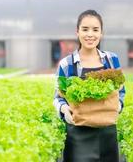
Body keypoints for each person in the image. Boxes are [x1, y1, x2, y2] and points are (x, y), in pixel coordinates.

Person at [53, 9, 126, 162]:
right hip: (78, 133)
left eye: (95, 29)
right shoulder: (66, 64)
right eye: (85, 29)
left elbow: (121, 91)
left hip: (107, 132)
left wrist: (117, 106)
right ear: (77, 32)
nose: (90, 34)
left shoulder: (112, 59)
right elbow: (58, 97)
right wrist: (64, 110)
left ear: (101, 33)